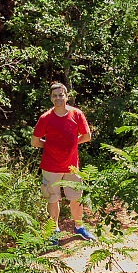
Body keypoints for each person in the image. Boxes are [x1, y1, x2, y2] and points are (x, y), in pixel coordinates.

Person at [31, 82, 96, 244]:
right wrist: (50, 145)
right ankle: (54, 231)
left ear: (67, 97)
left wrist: (72, 144)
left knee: (76, 197)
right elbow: (34, 141)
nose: (58, 98)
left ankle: (79, 227)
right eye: (55, 95)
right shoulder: (45, 118)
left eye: (61, 95)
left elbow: (87, 136)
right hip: (50, 166)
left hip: (72, 166)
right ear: (51, 99)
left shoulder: (77, 114)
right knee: (53, 199)